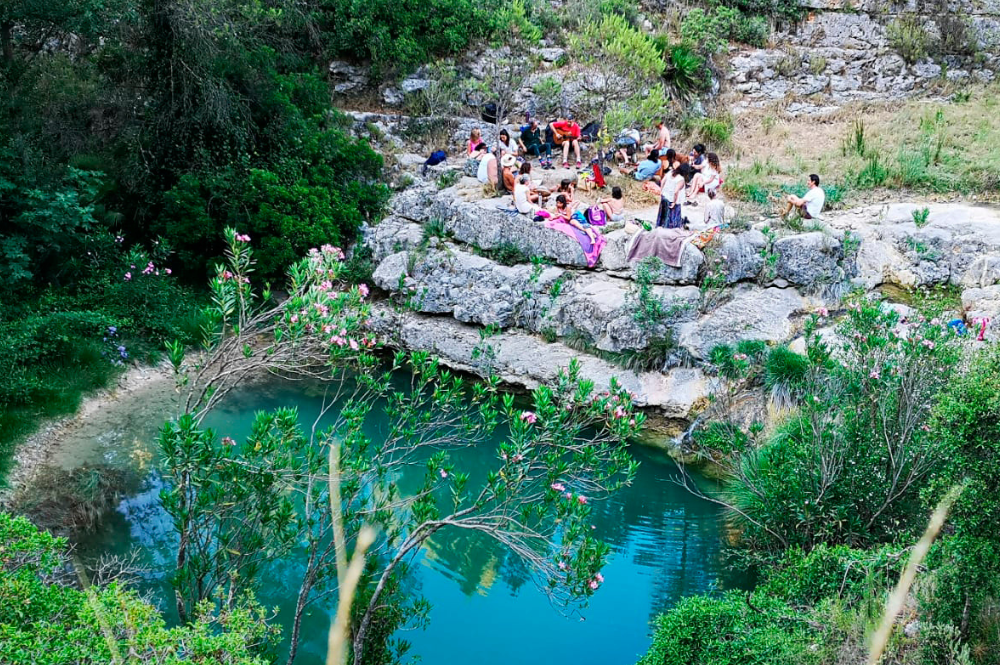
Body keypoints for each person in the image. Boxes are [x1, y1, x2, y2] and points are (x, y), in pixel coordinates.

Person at [656, 164, 687, 229]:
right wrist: (674, 202)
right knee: (672, 216)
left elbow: (662, 181)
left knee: (663, 214)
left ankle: (660, 226)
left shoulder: (671, 172)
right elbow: (676, 191)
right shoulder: (681, 179)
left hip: (664, 196)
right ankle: (670, 229)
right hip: (672, 199)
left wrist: (661, 192)